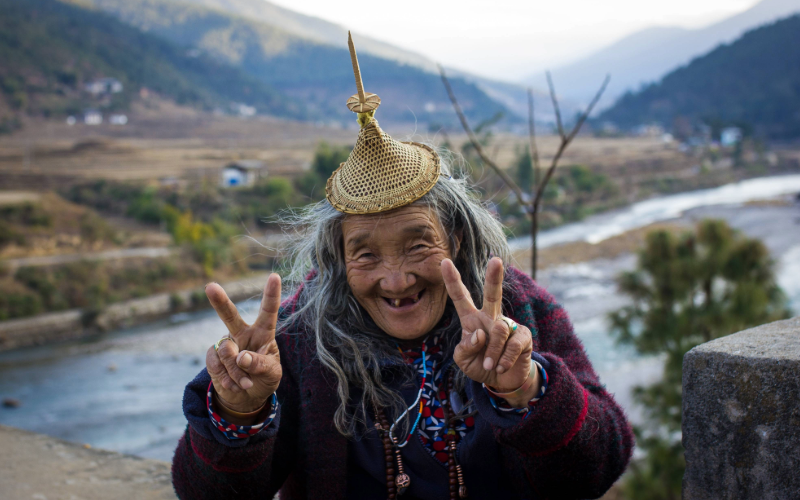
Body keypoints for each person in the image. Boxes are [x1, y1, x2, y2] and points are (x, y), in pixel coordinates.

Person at [172, 33, 633, 500]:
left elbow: (601, 465)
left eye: (417, 246)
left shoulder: (517, 310)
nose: (396, 280)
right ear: (339, 260)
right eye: (366, 254)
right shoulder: (297, 337)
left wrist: (525, 386)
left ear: (455, 238)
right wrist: (239, 412)